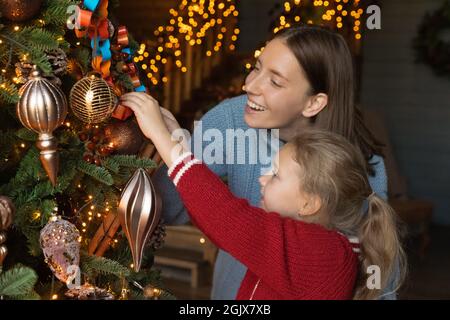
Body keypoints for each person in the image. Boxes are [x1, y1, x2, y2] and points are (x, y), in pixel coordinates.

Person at [122, 24, 396, 299]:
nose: (248, 85)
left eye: (275, 82)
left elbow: (231, 221)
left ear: (313, 103)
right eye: (256, 67)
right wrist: (173, 147)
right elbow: (184, 209)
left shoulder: (357, 177)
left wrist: (166, 142)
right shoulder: (230, 118)